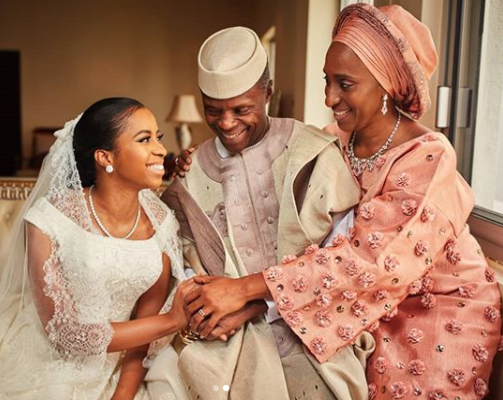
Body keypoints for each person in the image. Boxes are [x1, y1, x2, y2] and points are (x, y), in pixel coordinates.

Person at [184, 4, 502, 399]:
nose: (329, 97)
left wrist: (244, 291)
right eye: (327, 80)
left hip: (438, 307)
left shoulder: (429, 156)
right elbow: (284, 218)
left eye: (345, 84)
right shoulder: (330, 140)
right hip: (355, 308)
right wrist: (187, 162)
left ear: (386, 85)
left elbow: (370, 263)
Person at [149, 26, 374, 400]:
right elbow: (184, 261)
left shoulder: (312, 153)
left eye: (242, 110)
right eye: (213, 110)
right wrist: (210, 310)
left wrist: (256, 303)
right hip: (228, 347)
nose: (226, 123)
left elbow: (341, 259)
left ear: (267, 92)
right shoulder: (190, 176)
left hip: (316, 331)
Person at [0, 97, 194, 400]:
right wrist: (172, 321)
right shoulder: (48, 219)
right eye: (144, 139)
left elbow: (146, 327)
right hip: (52, 364)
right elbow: (65, 334)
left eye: (159, 137)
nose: (159, 149)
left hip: (126, 367)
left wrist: (122, 396)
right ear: (105, 158)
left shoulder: (162, 222)